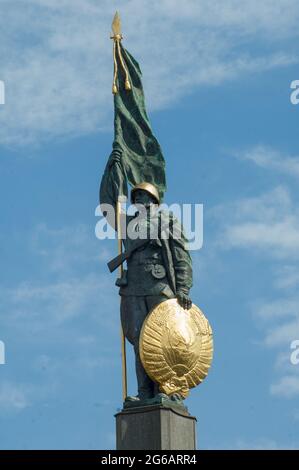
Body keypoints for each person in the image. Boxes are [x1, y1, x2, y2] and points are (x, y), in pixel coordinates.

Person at [100, 146, 193, 403]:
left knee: (162, 339)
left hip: (159, 285)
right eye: (135, 197)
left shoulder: (168, 221)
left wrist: (183, 288)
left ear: (153, 200)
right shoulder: (128, 224)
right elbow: (108, 205)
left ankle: (167, 388)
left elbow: (181, 255)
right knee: (140, 341)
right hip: (133, 287)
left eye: (142, 196)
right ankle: (144, 393)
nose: (137, 200)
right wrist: (112, 170)